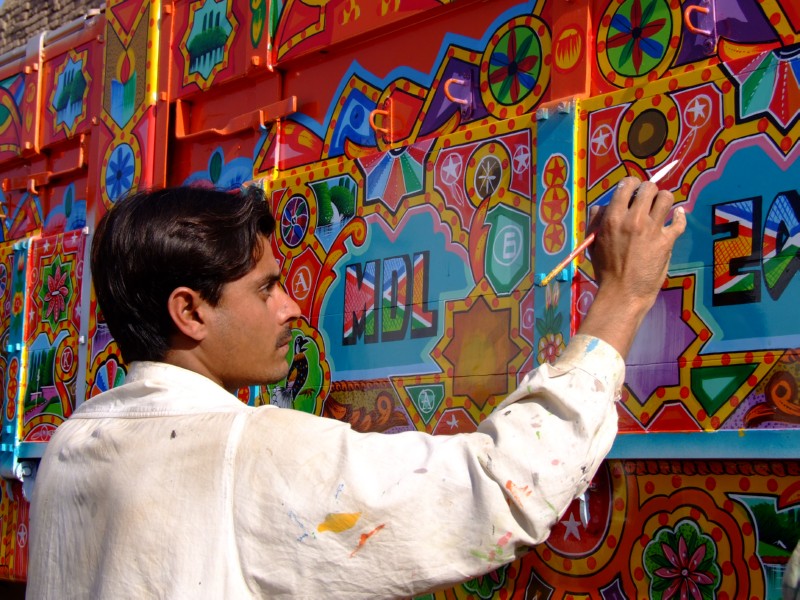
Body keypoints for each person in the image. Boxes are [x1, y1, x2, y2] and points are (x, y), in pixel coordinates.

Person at [27, 180, 685, 598]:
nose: (292, 308)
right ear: (190, 312)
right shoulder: (241, 453)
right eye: (266, 288)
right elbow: (502, 488)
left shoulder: (71, 445)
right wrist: (622, 299)